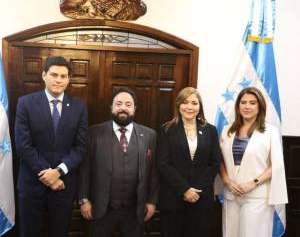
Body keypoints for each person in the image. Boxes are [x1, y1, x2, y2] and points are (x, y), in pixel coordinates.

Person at [14, 56, 88, 237]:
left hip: (63, 186)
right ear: (43, 75)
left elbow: (80, 147)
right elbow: (23, 146)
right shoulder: (25, 103)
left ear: (69, 79)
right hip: (32, 184)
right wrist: (49, 174)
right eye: (54, 74)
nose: (59, 80)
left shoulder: (79, 107)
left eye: (64, 76)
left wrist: (59, 172)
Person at [78, 87, 158, 237]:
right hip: (101, 208)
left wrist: (152, 202)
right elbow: (84, 170)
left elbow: (153, 171)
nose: (123, 108)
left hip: (135, 210)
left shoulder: (149, 135)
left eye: (128, 105)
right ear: (111, 107)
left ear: (134, 108)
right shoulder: (93, 133)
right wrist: (83, 200)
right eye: (119, 103)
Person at [218, 87, 288, 237]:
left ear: (260, 106)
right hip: (231, 194)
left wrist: (253, 182)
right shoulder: (227, 130)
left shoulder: (270, 131)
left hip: (257, 195)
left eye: (252, 103)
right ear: (238, 106)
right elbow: (219, 160)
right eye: (243, 102)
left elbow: (276, 165)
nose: (247, 106)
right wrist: (227, 181)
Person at [156, 87, 221, 237]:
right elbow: (163, 164)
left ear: (200, 107)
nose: (190, 107)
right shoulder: (167, 129)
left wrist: (196, 189)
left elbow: (214, 162)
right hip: (174, 198)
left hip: (201, 198)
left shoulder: (210, 130)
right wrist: (185, 189)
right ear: (178, 105)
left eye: (194, 103)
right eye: (185, 102)